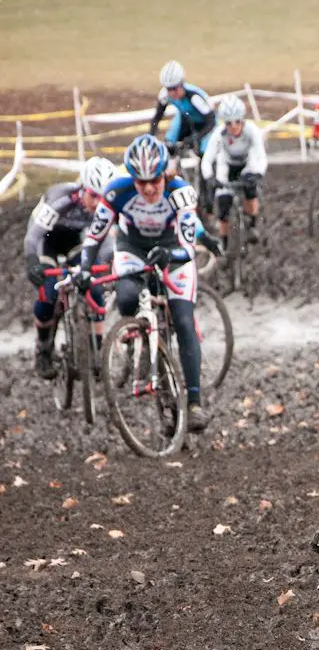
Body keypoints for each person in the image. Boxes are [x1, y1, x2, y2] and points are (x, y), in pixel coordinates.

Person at [79, 134, 220, 433]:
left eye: (154, 180)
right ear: (131, 178)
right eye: (140, 182)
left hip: (173, 250)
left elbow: (189, 246)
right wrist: (83, 268)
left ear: (164, 174)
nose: (148, 188)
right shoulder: (117, 192)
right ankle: (138, 344)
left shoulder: (179, 191)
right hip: (133, 248)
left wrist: (171, 254)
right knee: (128, 297)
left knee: (183, 320)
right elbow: (95, 235)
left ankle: (194, 402)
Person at [24, 156, 117, 379]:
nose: (96, 203)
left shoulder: (106, 208)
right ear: (83, 188)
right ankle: (44, 348)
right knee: (48, 293)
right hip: (47, 241)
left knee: (94, 289)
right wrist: (32, 262)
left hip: (77, 241)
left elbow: (106, 241)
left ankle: (97, 352)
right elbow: (33, 236)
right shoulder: (61, 198)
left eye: (102, 197)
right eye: (93, 195)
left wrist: (106, 263)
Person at [200, 94, 267, 248]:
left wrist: (258, 174)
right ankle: (223, 245)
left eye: (237, 121)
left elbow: (261, 157)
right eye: (229, 123)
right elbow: (207, 159)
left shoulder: (252, 131)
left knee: (250, 188)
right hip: (227, 165)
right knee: (223, 207)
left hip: (247, 163)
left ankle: (252, 224)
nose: (234, 126)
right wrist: (209, 177)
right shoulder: (219, 133)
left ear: (243, 119)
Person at [149, 61, 216, 159]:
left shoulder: (194, 97)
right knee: (169, 146)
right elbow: (157, 117)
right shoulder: (164, 95)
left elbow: (211, 122)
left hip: (207, 123)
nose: (172, 93)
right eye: (169, 89)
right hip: (186, 117)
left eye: (175, 89)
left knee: (204, 155)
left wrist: (195, 139)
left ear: (182, 84)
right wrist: (151, 135)